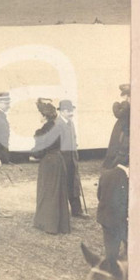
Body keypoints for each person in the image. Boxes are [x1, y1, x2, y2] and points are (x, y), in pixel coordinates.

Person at [30, 99, 70, 235]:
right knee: (58, 191)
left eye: (39, 114)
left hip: (48, 162)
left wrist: (33, 155)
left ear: (44, 116)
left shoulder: (43, 130)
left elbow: (39, 150)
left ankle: (48, 224)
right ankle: (61, 225)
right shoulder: (59, 127)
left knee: (47, 192)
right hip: (59, 160)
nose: (39, 116)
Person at [97, 150, 129, 264]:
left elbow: (99, 196)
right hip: (123, 221)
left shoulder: (106, 174)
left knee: (111, 251)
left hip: (106, 218)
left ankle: (111, 265)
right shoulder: (128, 178)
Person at [56, 99, 84, 218]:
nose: (71, 113)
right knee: (63, 185)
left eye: (71, 110)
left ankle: (77, 211)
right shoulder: (57, 124)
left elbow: (74, 138)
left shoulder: (71, 123)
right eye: (68, 111)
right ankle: (61, 213)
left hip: (72, 158)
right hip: (63, 159)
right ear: (62, 111)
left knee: (74, 184)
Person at [103, 83, 131, 169]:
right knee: (118, 150)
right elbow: (118, 114)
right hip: (122, 130)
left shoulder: (124, 105)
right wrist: (124, 102)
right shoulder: (122, 104)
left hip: (126, 129)